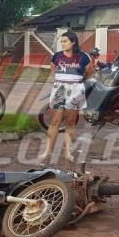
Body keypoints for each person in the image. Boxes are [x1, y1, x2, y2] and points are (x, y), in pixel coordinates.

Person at [39, 31, 94, 163]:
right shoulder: (57, 56)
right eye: (61, 41)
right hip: (59, 89)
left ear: (73, 42)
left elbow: (90, 72)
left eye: (65, 41)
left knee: (70, 122)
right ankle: (48, 151)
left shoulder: (83, 57)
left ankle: (68, 152)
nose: (62, 44)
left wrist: (77, 81)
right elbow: (53, 69)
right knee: (54, 122)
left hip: (76, 90)